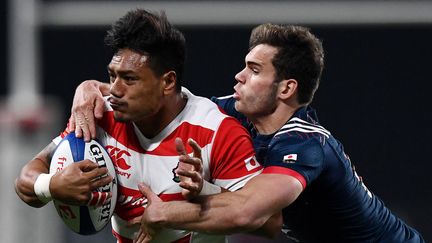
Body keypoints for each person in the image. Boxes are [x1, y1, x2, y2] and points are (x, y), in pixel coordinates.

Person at [70, 23, 425, 242]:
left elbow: (247, 213)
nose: (239, 76)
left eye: (254, 70)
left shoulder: (307, 145)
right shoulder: (232, 113)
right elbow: (163, 100)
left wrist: (167, 212)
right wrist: (89, 88)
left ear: (286, 89)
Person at [14, 9, 271, 243]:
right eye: (112, 75)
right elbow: (25, 181)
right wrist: (51, 185)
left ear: (168, 82)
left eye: (129, 78)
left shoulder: (216, 132)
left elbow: (268, 221)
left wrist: (204, 192)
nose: (114, 89)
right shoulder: (100, 116)